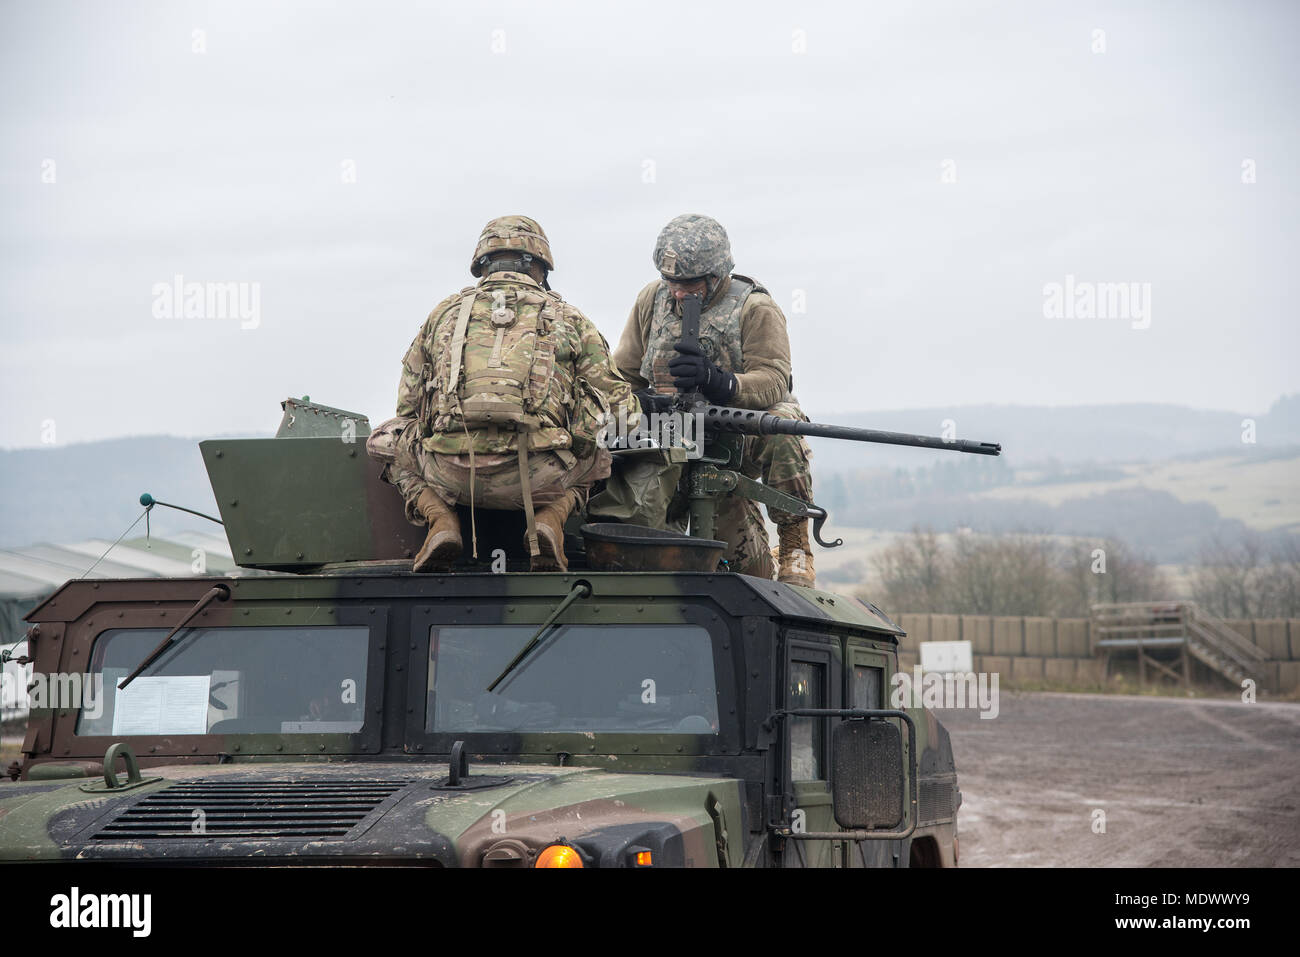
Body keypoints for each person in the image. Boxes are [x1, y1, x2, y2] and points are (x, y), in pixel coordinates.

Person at [368, 215, 637, 572]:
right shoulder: (570, 318)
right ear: (540, 267)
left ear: (482, 265)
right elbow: (625, 415)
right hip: (542, 478)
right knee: (601, 454)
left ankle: (441, 520)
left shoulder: (443, 315)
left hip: (452, 475)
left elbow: (408, 408)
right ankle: (550, 521)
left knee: (385, 439)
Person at [606, 213, 817, 586]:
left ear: (717, 275)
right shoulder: (650, 302)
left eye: (688, 284)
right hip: (669, 435)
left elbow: (773, 381)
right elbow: (622, 375)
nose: (677, 292)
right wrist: (641, 404)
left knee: (785, 428)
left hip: (736, 434)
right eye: (670, 282)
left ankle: (795, 544)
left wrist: (718, 382)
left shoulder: (755, 309)